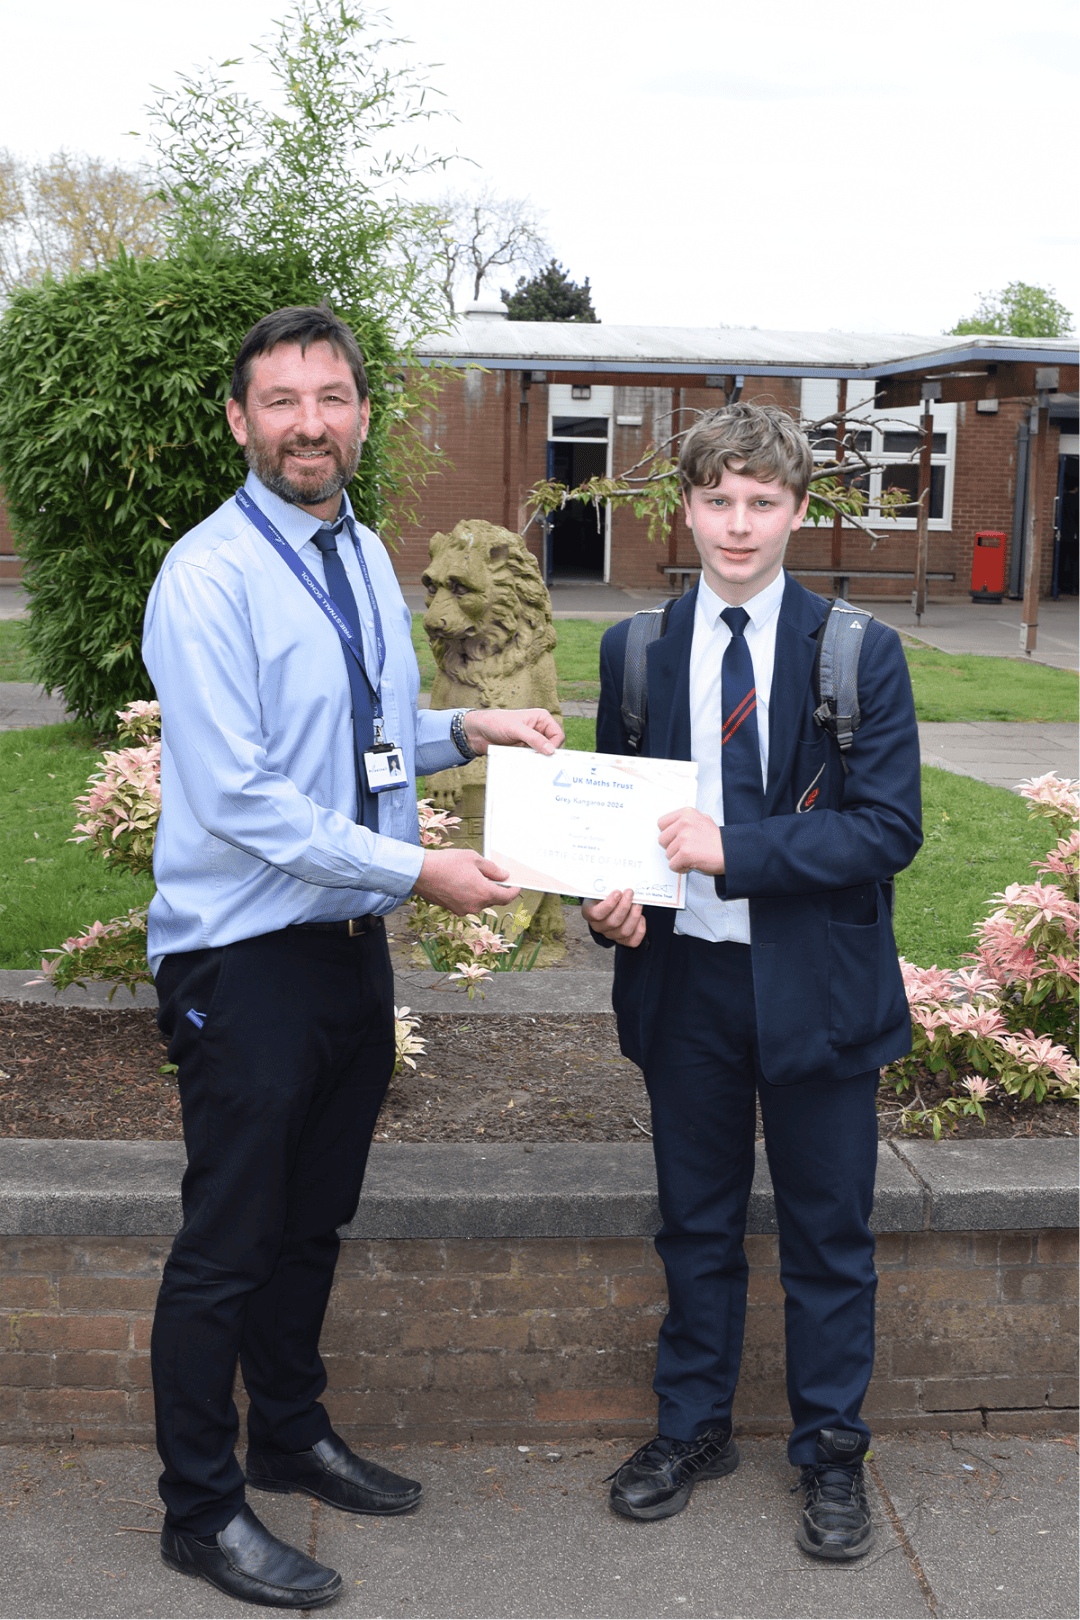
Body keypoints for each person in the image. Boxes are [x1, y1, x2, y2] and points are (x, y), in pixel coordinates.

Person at [142, 304, 563, 1610]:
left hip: (343, 948)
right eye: (281, 400)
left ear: (362, 414)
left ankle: (290, 1436)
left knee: (314, 1222)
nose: (309, 422)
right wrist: (420, 870)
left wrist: (469, 729)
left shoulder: (363, 549)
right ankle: (200, 1512)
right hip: (242, 959)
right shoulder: (206, 578)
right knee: (228, 1240)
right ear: (240, 420)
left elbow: (364, 744)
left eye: (331, 397)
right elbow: (243, 798)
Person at [583, 403, 921, 1559]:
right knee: (696, 1225)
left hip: (818, 990)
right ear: (685, 507)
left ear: (796, 510)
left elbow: (887, 831)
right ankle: (692, 1428)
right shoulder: (635, 650)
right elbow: (616, 826)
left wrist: (741, 847)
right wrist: (606, 901)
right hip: (685, 988)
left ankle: (832, 1451)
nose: (738, 524)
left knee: (831, 1234)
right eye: (718, 500)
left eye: (762, 502)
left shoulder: (856, 651)